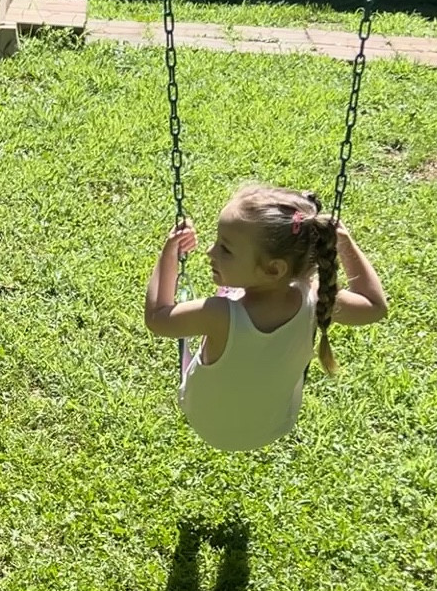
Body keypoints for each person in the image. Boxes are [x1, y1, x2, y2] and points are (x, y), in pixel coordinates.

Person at [145, 184, 388, 452]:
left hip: (207, 420)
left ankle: (236, 297)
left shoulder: (217, 314)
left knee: (229, 327)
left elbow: (157, 317)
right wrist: (343, 241)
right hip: (274, 423)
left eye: (225, 249)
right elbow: (374, 306)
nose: (210, 252)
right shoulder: (316, 296)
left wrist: (169, 253)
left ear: (273, 269)